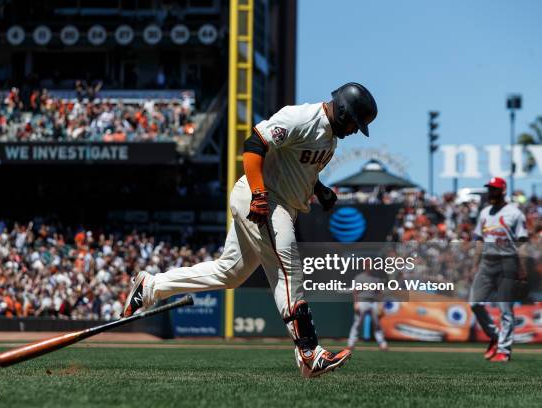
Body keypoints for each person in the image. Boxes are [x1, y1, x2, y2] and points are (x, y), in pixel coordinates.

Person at [122, 82, 378, 377]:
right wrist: (259, 195)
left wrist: (319, 190)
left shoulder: (330, 138)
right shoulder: (301, 118)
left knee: (229, 273)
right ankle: (309, 352)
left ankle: (150, 287)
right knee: (289, 269)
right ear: (344, 111)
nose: (355, 131)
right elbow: (254, 145)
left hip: (278, 201)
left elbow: (298, 168)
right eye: (355, 124)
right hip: (264, 197)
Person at [469, 177, 529, 362]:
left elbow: (522, 243)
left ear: (503, 190)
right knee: (474, 303)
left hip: (507, 261)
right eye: (490, 189)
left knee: (505, 309)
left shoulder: (515, 213)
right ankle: (495, 335)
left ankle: (504, 351)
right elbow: (479, 239)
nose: (491, 192)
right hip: (487, 262)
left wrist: (522, 267)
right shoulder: (485, 212)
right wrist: (474, 264)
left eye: (494, 189)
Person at [346, 270, 388, 351]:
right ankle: (351, 344)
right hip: (362, 301)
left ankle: (382, 344)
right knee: (357, 323)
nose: (369, 267)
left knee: (377, 324)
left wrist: (380, 304)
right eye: (367, 265)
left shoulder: (376, 278)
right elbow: (355, 291)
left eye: (370, 265)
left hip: (373, 302)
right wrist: (356, 303)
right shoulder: (359, 277)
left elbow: (379, 292)